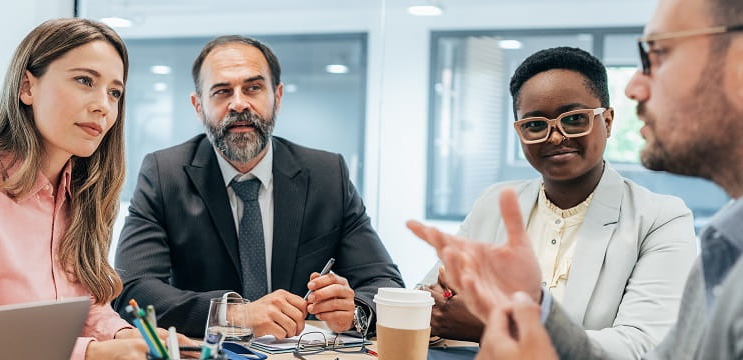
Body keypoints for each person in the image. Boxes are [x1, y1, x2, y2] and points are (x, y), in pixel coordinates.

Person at [407, 0, 743, 358]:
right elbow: (429, 305)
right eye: (535, 125)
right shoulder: (497, 201)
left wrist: (498, 321)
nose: (555, 137)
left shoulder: (662, 218)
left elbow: (644, 348)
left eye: (658, 55)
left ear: (608, 121)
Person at [0, 18, 188, 360]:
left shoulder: (84, 190)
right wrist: (91, 354)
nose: (103, 104)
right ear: (27, 87)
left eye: (114, 92)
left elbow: (88, 309)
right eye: (85, 81)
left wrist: (132, 338)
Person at [114, 35, 404, 339]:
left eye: (253, 88)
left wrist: (353, 311)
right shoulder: (164, 175)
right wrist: (234, 315)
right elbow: (133, 290)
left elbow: (386, 285)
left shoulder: (326, 175)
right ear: (198, 106)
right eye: (222, 91)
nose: (239, 103)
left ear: (277, 97)